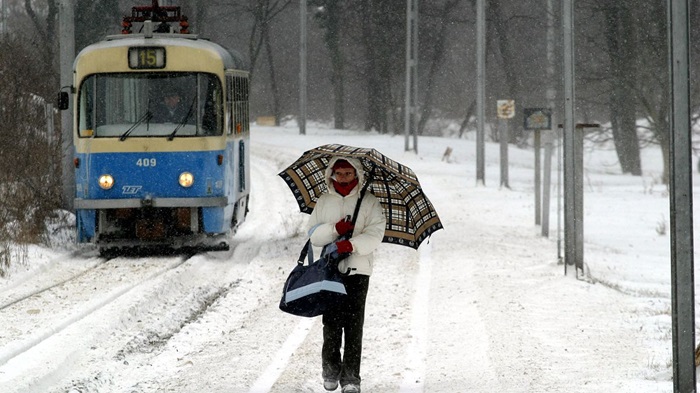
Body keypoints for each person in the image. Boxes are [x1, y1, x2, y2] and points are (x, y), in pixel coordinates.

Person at [307, 157, 386, 393]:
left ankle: (351, 378)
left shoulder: (369, 202)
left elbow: (375, 233)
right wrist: (334, 230)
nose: (343, 178)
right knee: (331, 323)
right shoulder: (324, 200)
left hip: (358, 270)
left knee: (354, 325)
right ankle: (330, 370)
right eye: (339, 173)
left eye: (348, 173)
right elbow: (312, 235)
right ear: (331, 174)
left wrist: (351, 245)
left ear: (357, 175)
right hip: (331, 271)